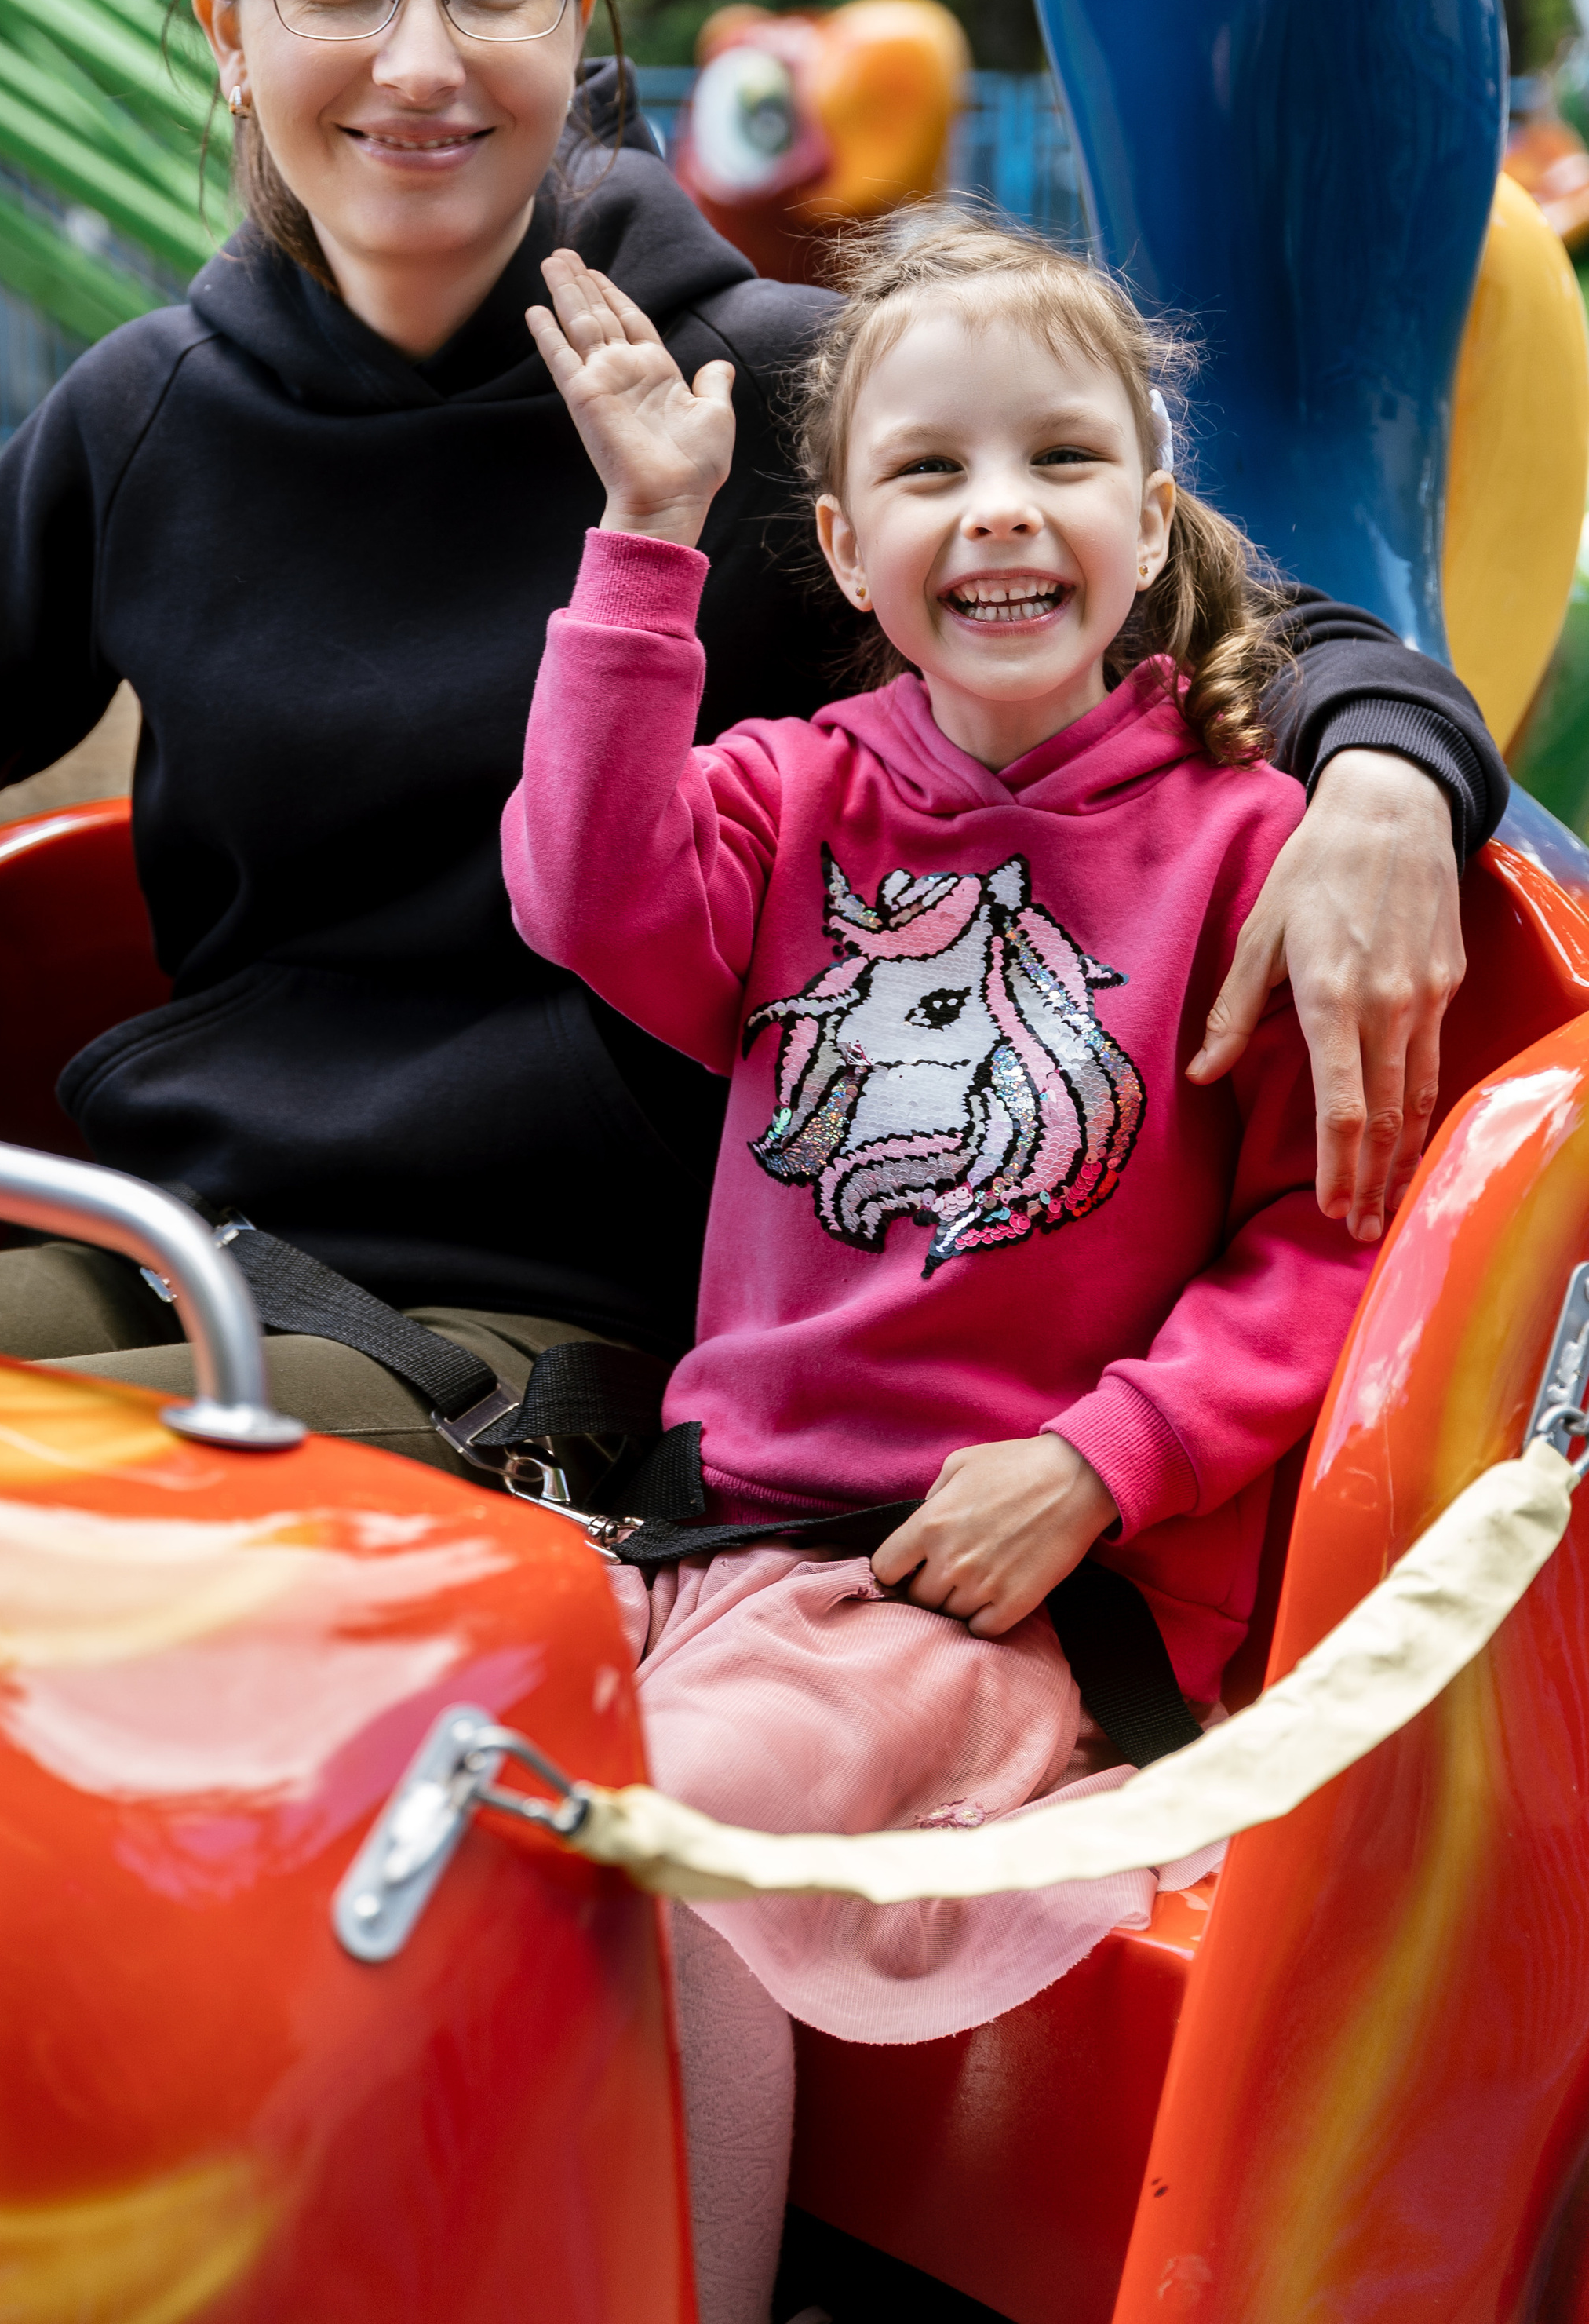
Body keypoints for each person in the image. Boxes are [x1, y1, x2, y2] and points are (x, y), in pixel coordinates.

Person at [0, 0, 1492, 1437]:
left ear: (579, 19)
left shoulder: (770, 399)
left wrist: (1389, 786)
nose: (421, 60)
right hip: (172, 1238)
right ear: (231, 27)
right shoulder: (142, 421)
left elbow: (1274, 629)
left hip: (563, 1319)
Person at [500, 219, 1379, 2324]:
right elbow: (580, 891)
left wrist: (1105, 1463)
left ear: (1146, 515)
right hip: (729, 1544)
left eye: (1063, 458)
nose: (1001, 504)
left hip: (1003, 1581)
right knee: (420, 1771)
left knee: (681, 1832)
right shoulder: (795, 801)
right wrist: (644, 538)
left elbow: (1327, 1246)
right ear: (849, 541)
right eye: (932, 471)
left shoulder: (1246, 846)